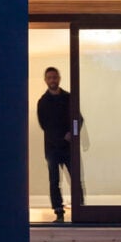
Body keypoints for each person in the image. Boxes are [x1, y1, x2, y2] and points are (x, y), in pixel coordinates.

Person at [37, 66, 76, 222]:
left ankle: (81, 210)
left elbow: (77, 118)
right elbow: (44, 124)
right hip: (52, 147)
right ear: (46, 80)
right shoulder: (43, 102)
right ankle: (59, 213)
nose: (52, 80)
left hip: (68, 147)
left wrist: (71, 134)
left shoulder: (69, 97)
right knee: (54, 180)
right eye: (49, 77)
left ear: (59, 78)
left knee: (76, 178)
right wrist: (62, 137)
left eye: (55, 77)